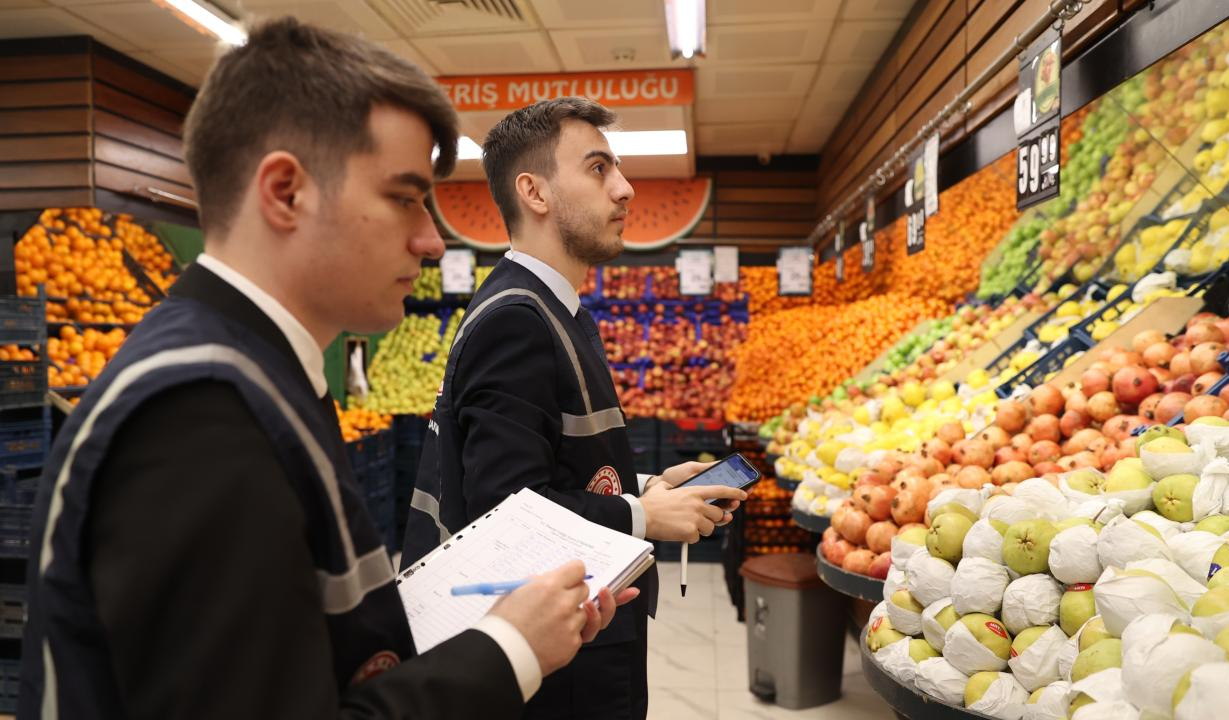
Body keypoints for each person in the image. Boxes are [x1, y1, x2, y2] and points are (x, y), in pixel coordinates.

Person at [19, 19, 633, 720]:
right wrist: (508, 650)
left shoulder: (252, 375)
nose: (431, 240)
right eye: (404, 197)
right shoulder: (198, 415)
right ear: (285, 192)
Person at [402, 97, 748, 719]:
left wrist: (648, 486)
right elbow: (507, 510)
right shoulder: (517, 319)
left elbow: (553, 467)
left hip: (578, 633)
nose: (625, 188)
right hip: (560, 671)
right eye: (597, 168)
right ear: (533, 192)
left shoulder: (550, 309)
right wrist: (642, 516)